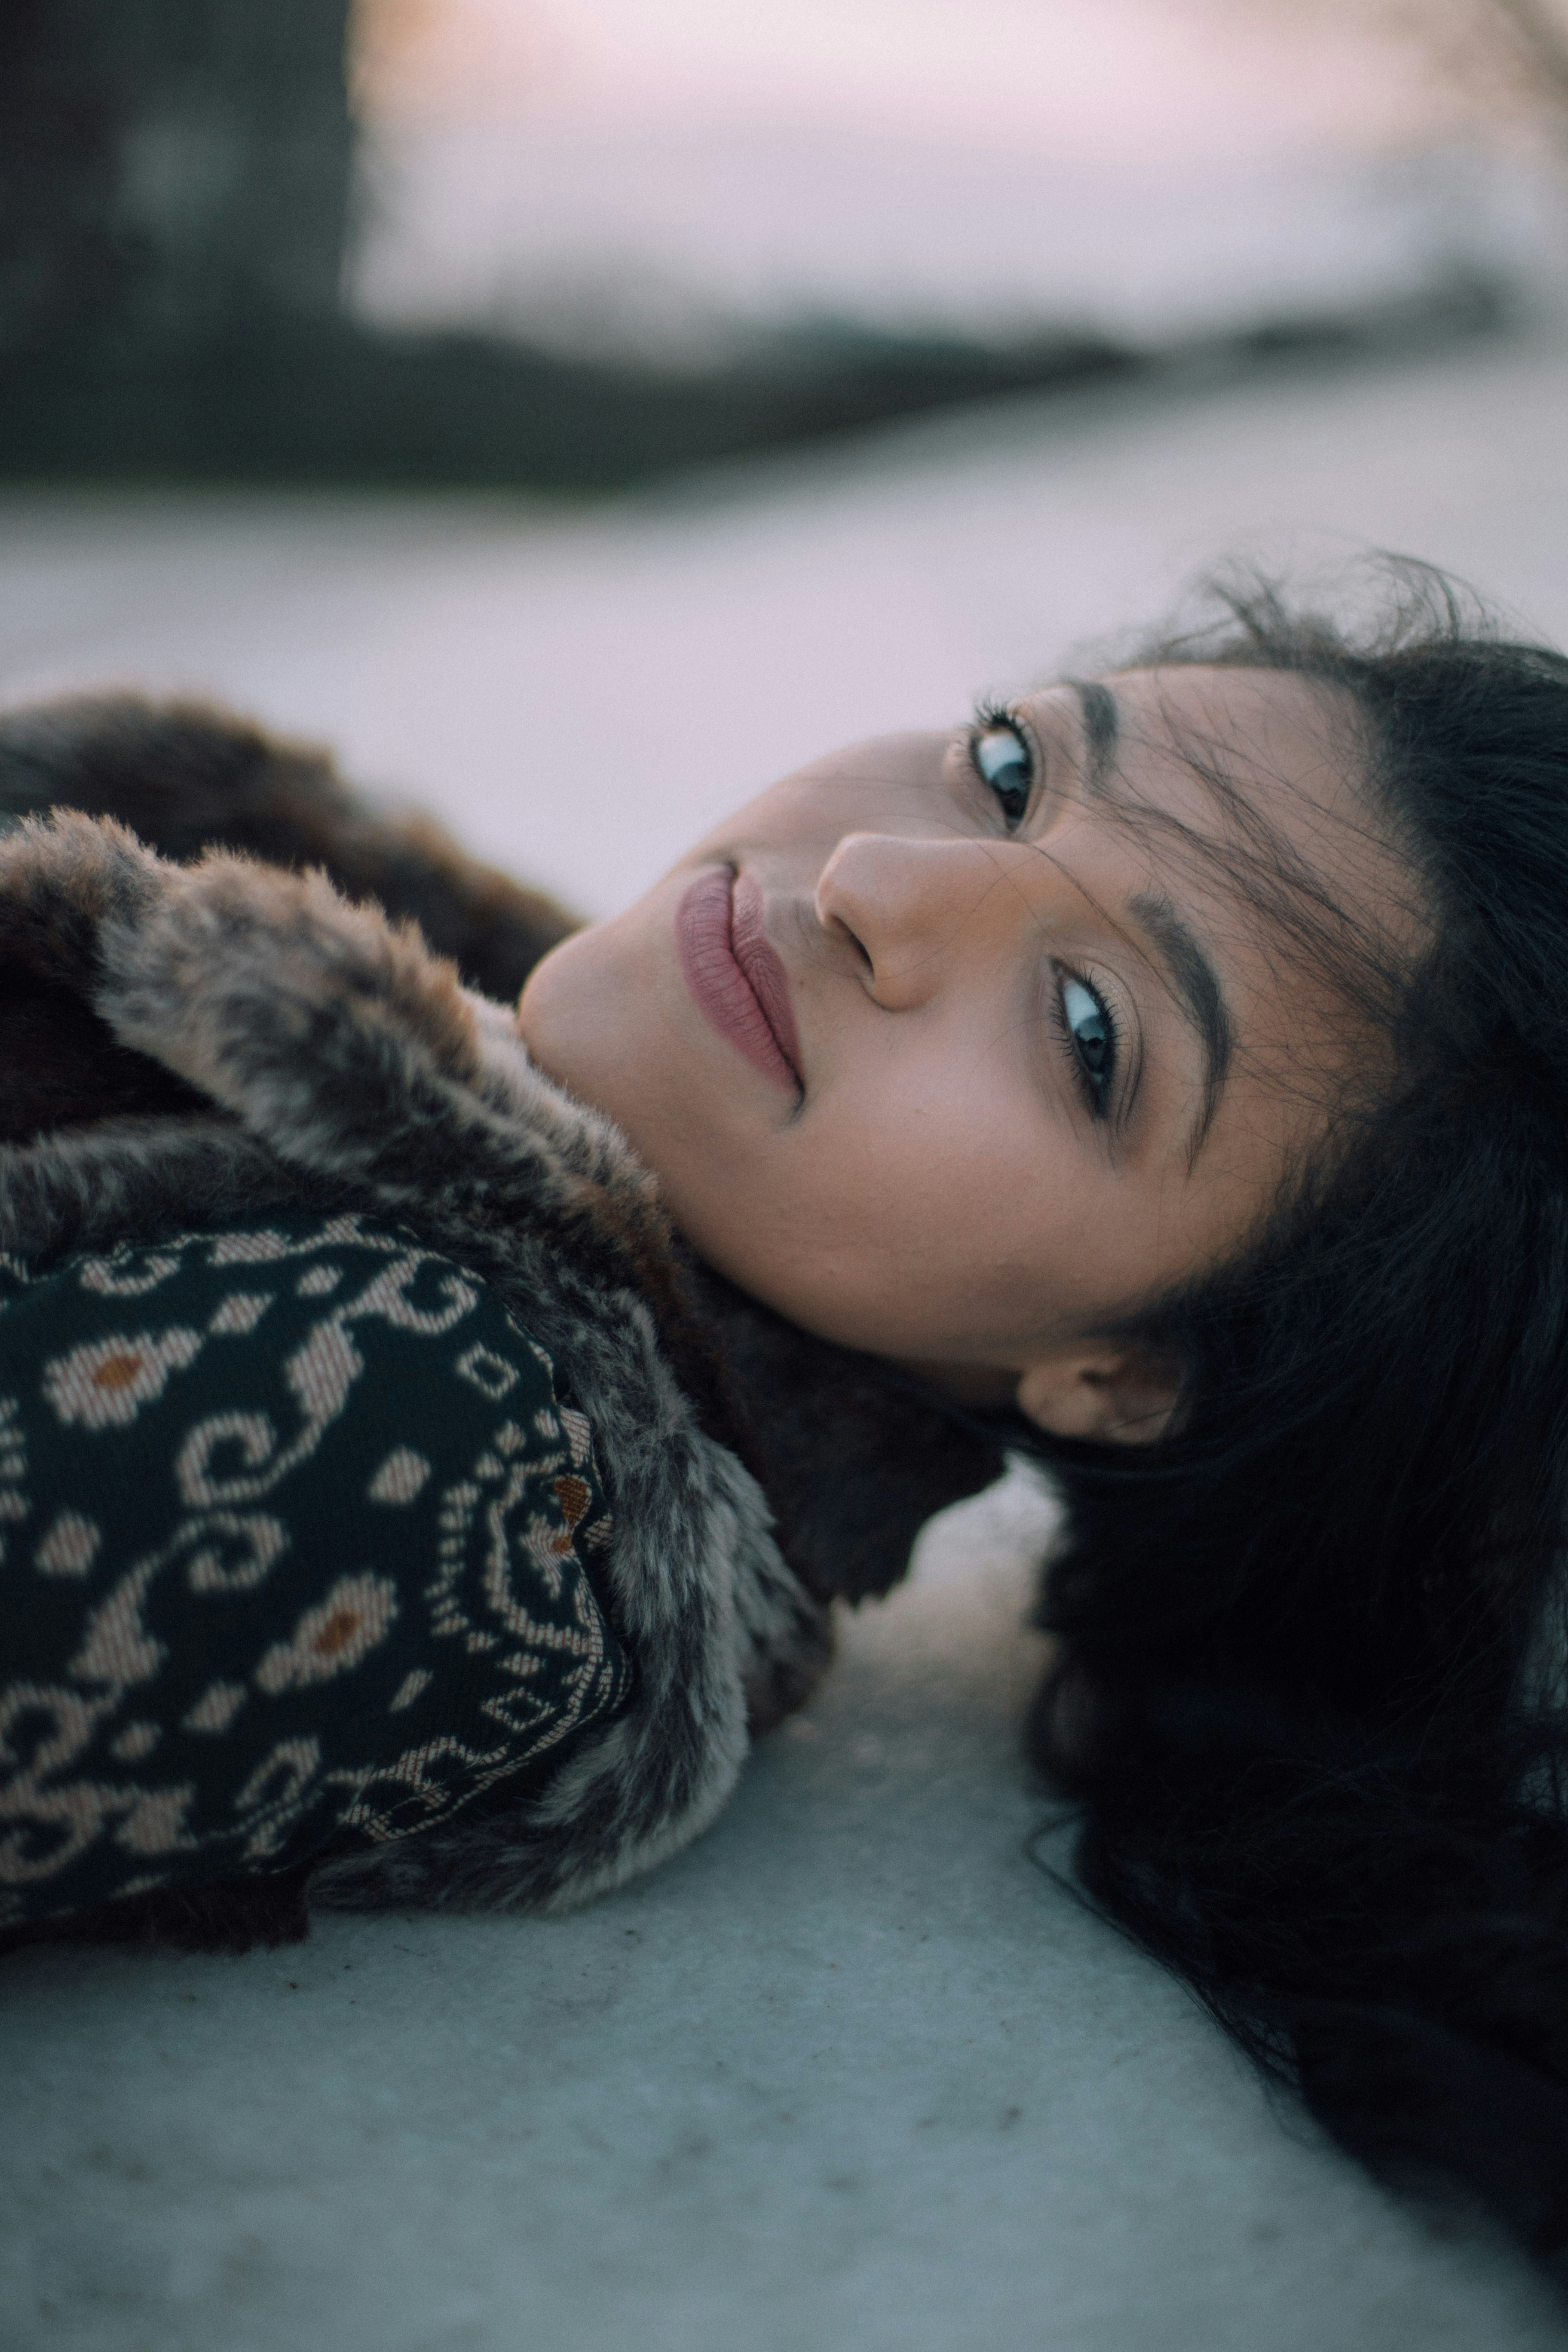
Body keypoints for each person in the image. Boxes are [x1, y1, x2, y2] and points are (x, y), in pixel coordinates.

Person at [2, 557, 1566, 2254]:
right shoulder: (450, 985)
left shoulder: (441, 1444)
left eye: (1090, 1027)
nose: (881, 879)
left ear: (1123, 1375)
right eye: (1014, 770)